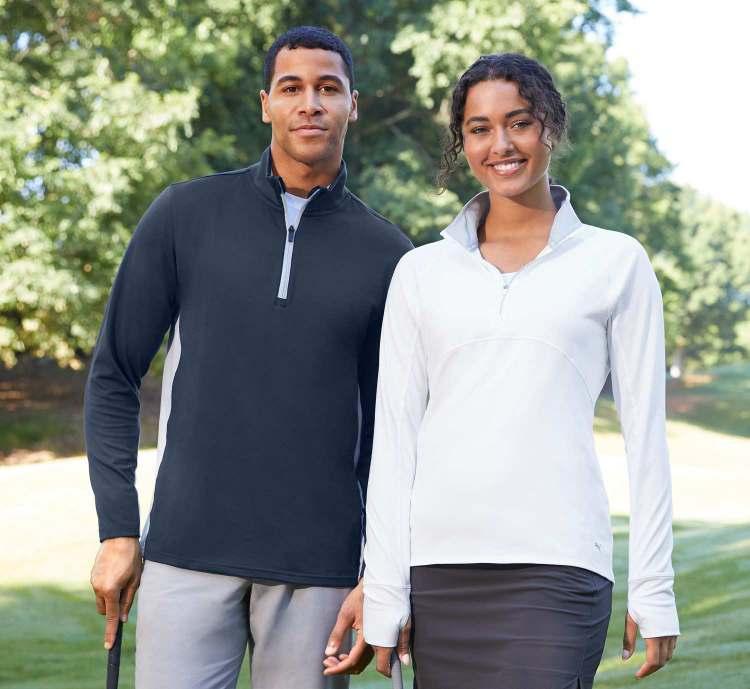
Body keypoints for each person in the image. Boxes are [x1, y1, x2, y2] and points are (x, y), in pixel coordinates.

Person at [85, 25, 412, 689]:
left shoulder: (391, 256)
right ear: (266, 104)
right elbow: (114, 373)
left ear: (353, 105)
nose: (310, 104)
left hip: (319, 566)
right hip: (185, 549)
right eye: (292, 88)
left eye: (328, 88)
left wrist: (383, 569)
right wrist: (119, 528)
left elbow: (392, 434)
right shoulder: (185, 214)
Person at [362, 53, 680, 689]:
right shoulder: (420, 272)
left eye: (519, 123)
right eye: (479, 129)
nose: (501, 145)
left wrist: (655, 588)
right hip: (441, 571)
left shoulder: (615, 262)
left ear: (550, 128)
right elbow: (394, 442)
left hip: (559, 566)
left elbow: (646, 438)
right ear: (462, 143)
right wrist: (385, 589)